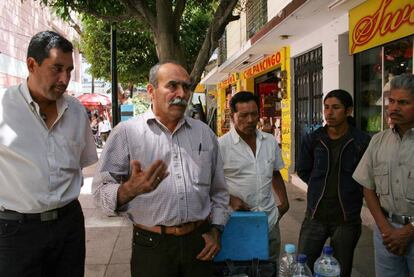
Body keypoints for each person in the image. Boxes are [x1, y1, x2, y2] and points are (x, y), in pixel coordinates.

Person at [92, 61, 229, 277]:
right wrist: (128, 190)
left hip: (199, 244)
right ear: (150, 91)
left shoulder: (205, 134)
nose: (181, 93)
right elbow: (100, 194)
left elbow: (219, 191)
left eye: (186, 87)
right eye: (172, 86)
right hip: (151, 247)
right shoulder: (126, 133)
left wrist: (216, 230)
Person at [0, 31, 98, 277]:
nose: (64, 79)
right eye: (56, 69)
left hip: (69, 226)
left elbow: (82, 163)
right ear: (32, 65)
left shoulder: (76, 112)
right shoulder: (3, 107)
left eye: (70, 70)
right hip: (15, 231)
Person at [297, 89, 370, 277]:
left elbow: (367, 179)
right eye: (326, 108)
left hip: (346, 219)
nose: (329, 113)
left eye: (335, 108)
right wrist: (318, 186)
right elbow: (304, 171)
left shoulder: (361, 142)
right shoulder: (313, 139)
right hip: (315, 215)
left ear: (348, 111)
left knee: (340, 270)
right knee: (302, 267)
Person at [353, 74, 414, 277]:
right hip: (385, 233)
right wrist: (385, 229)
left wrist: (408, 231)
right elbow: (368, 187)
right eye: (392, 101)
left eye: (403, 102)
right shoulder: (378, 141)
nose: (394, 108)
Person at [218, 91, 289, 264]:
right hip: (236, 222)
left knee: (268, 268)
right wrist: (229, 198)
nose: (250, 120)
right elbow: (208, 184)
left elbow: (275, 173)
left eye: (254, 114)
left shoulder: (270, 141)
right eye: (243, 115)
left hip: (269, 221)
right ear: (232, 116)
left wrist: (285, 203)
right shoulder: (221, 146)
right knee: (239, 269)